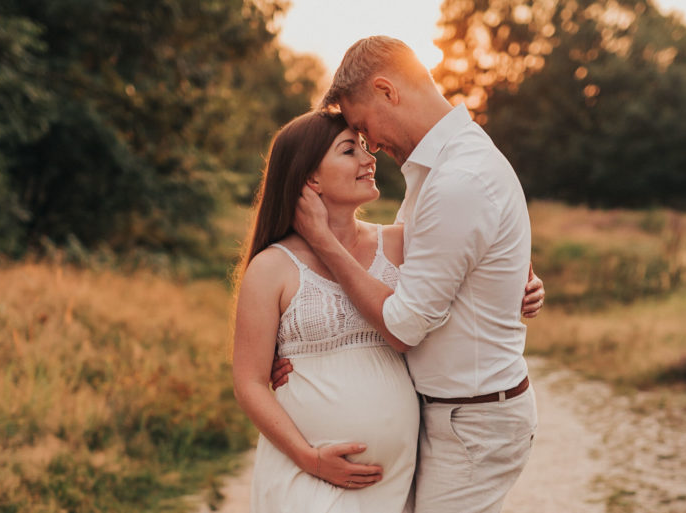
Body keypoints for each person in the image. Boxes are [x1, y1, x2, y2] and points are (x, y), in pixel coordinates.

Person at [233, 109, 544, 512]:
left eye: (364, 146)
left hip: (396, 482)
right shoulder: (271, 267)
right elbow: (250, 383)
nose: (369, 158)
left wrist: (524, 287)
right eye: (350, 150)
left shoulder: (400, 244)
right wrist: (309, 458)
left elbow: (481, 258)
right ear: (310, 178)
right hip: (307, 472)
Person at [291, 36, 540, 512]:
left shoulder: (458, 178)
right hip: (451, 417)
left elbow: (404, 326)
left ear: (388, 90)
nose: (373, 146)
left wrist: (322, 240)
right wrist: (299, 355)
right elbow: (404, 264)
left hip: (471, 422)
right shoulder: (436, 171)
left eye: (365, 127)